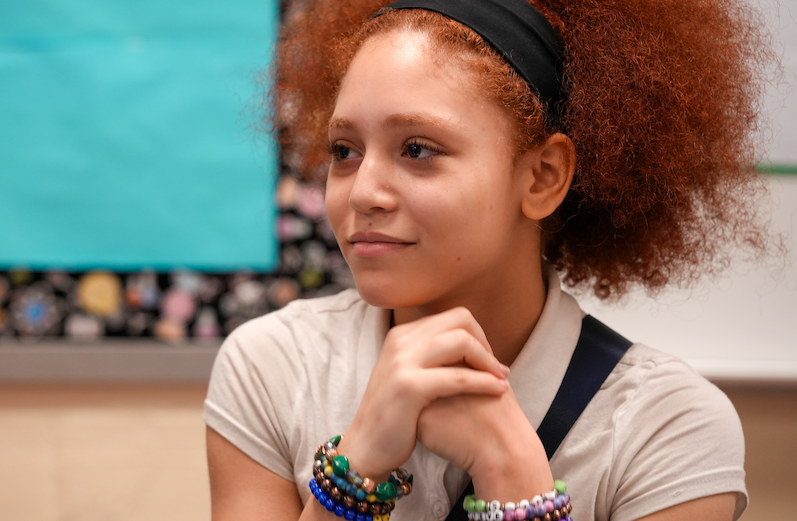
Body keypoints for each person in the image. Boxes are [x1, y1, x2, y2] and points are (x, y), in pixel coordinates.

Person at [204, 0, 777, 520]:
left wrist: (512, 475)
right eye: (344, 151)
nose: (361, 193)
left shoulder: (669, 428)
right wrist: (354, 469)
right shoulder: (271, 367)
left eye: (417, 149)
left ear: (542, 177)